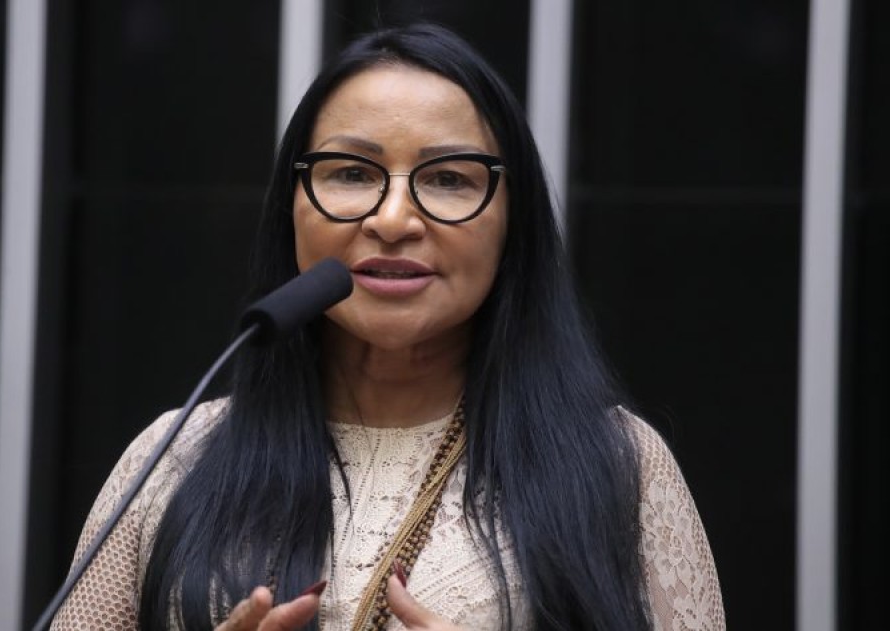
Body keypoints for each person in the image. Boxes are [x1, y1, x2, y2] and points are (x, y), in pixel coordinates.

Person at [51, 23, 724, 631]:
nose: (394, 219)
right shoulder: (173, 458)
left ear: (512, 223)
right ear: (291, 207)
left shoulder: (615, 465)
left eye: (449, 179)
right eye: (351, 172)